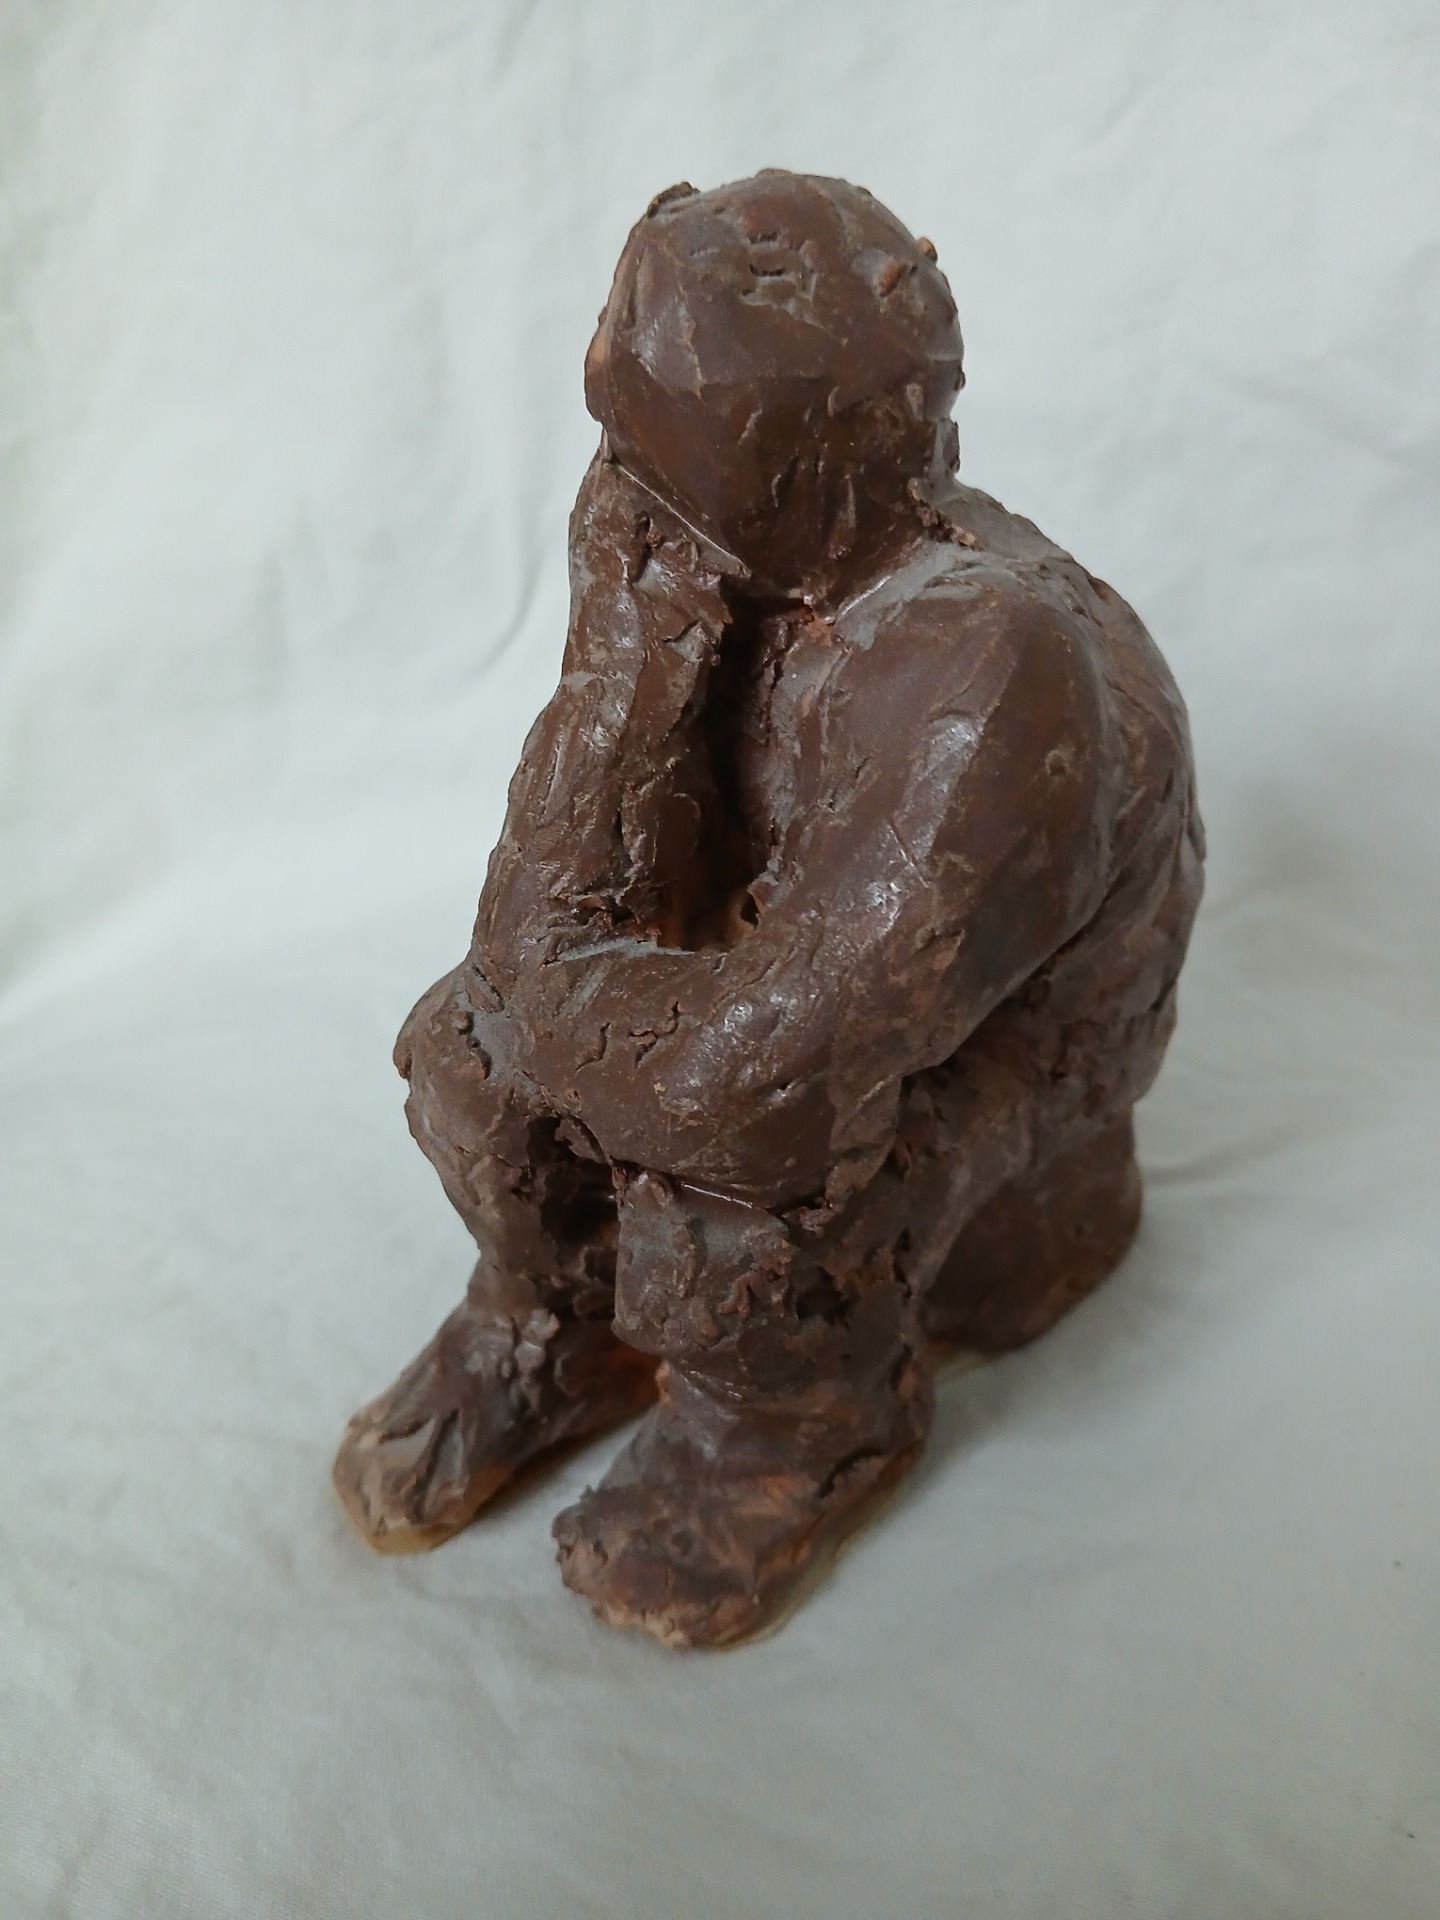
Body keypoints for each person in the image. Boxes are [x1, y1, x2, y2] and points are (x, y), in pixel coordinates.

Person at [332, 170, 1204, 1649]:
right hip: (763, 994)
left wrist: (549, 991)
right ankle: (553, 1322)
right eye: (618, 442)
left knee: (729, 1215)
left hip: (983, 1080)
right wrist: (625, 664)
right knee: (464, 1064)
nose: (623, 497)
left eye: (654, 455)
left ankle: (797, 1431)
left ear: (831, 459)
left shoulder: (992, 668)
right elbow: (539, 931)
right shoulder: (688, 552)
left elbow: (760, 1084)